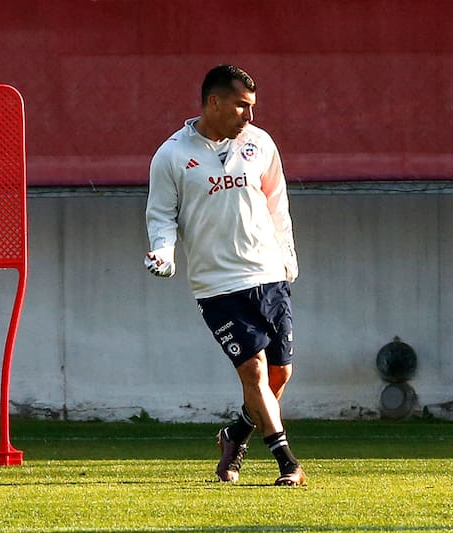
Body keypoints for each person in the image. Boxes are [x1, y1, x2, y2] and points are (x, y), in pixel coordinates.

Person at [145, 64, 304, 486]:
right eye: (241, 106)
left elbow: (277, 205)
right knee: (253, 372)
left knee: (279, 375)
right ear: (213, 102)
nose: (249, 116)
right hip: (217, 287)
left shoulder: (260, 143)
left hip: (268, 275)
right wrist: (163, 252)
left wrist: (287, 256)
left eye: (252, 107)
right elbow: (161, 215)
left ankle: (235, 435)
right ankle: (288, 463)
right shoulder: (172, 155)